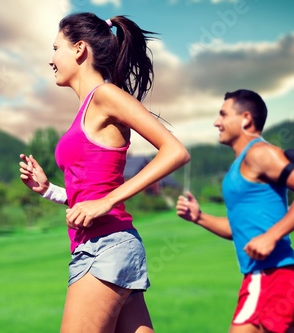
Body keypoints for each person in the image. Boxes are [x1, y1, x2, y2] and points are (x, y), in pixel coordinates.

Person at [19, 12, 190, 333]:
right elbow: (89, 194)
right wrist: (48, 191)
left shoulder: (105, 96)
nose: (51, 59)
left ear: (80, 49)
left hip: (104, 247)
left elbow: (175, 151)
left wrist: (107, 202)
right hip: (105, 246)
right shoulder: (88, 107)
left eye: (56, 48)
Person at [176, 89, 294, 333]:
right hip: (271, 276)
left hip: (270, 275)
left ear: (246, 118)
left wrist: (271, 236)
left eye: (223, 115)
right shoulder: (240, 166)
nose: (217, 122)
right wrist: (199, 217)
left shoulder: (259, 154)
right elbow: (238, 229)